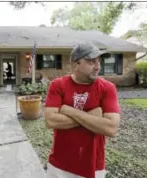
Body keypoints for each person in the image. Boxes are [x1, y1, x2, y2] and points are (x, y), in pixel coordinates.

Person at [44, 42, 121, 178]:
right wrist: (92, 116)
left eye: (98, 61)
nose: (98, 66)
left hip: (93, 166)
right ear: (75, 64)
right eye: (91, 61)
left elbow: (111, 128)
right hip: (59, 165)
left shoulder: (107, 88)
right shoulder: (58, 85)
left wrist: (69, 110)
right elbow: (51, 121)